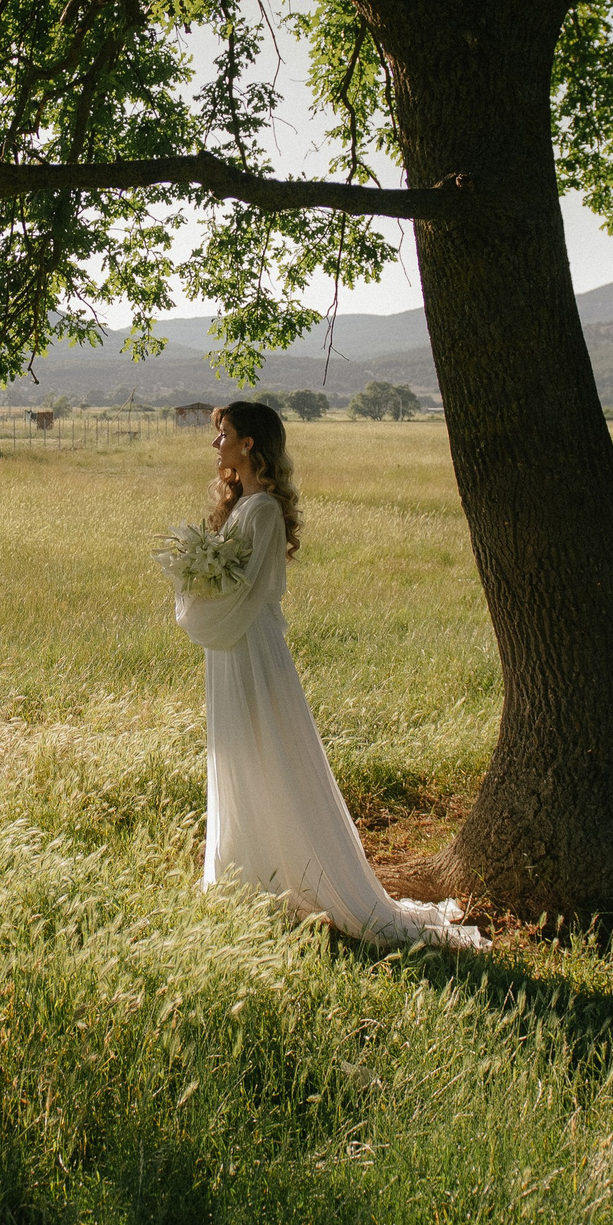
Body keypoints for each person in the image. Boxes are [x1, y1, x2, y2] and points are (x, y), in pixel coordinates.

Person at [179, 401, 487, 951]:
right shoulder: (241, 505)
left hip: (252, 646)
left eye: (222, 434)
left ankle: (297, 873)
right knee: (238, 751)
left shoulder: (264, 511)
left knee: (269, 750)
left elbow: (251, 591)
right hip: (230, 646)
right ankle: (247, 875)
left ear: (249, 444)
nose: (215, 443)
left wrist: (204, 593)